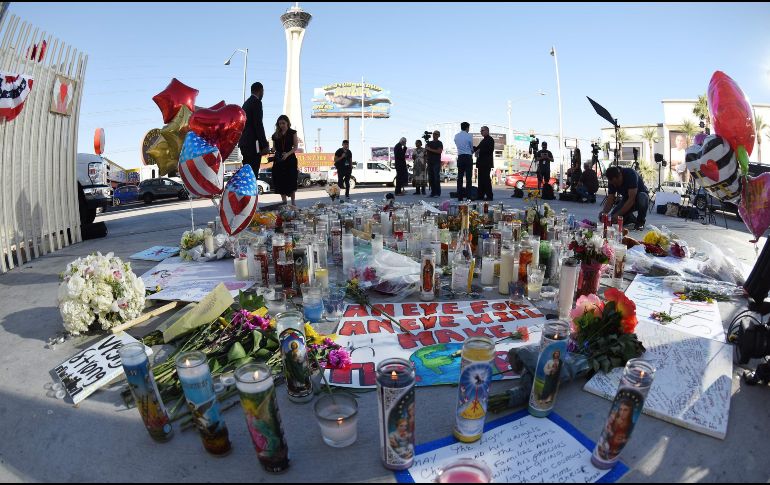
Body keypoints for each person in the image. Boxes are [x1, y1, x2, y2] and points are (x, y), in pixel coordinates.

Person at [238, 82, 269, 174]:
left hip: (244, 143)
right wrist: (264, 145)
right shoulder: (256, 102)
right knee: (253, 172)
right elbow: (258, 124)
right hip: (253, 145)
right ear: (260, 91)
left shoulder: (246, 103)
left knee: (247, 171)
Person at [271, 115, 299, 206]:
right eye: (280, 123)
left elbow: (295, 147)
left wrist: (287, 154)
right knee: (280, 180)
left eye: (283, 123)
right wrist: (272, 149)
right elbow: (274, 147)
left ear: (287, 123)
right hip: (279, 160)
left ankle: (293, 203)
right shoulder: (275, 135)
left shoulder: (293, 132)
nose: (281, 125)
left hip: (290, 159)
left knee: (291, 179)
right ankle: (284, 202)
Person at [473, 125, 495, 201]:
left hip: (486, 163)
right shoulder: (483, 140)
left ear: (487, 131)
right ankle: (480, 195)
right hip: (481, 163)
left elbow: (489, 150)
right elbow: (477, 148)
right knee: (481, 180)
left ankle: (489, 196)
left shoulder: (490, 139)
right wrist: (470, 146)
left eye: (482, 130)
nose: (481, 132)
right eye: (480, 131)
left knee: (486, 179)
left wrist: (479, 151)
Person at [454, 122, 474, 200]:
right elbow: (471, 146)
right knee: (468, 178)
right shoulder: (469, 135)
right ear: (467, 128)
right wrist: (471, 151)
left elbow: (457, 144)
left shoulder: (456, 136)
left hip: (460, 157)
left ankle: (460, 196)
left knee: (460, 177)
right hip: (468, 157)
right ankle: (468, 196)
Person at [425, 131, 443, 198]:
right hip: (430, 162)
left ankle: (437, 193)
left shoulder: (439, 143)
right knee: (431, 178)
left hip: (436, 162)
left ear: (439, 135)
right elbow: (426, 151)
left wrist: (430, 149)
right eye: (434, 134)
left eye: (436, 134)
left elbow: (439, 151)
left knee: (436, 177)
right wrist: (426, 149)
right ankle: (432, 192)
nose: (434, 135)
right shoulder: (429, 143)